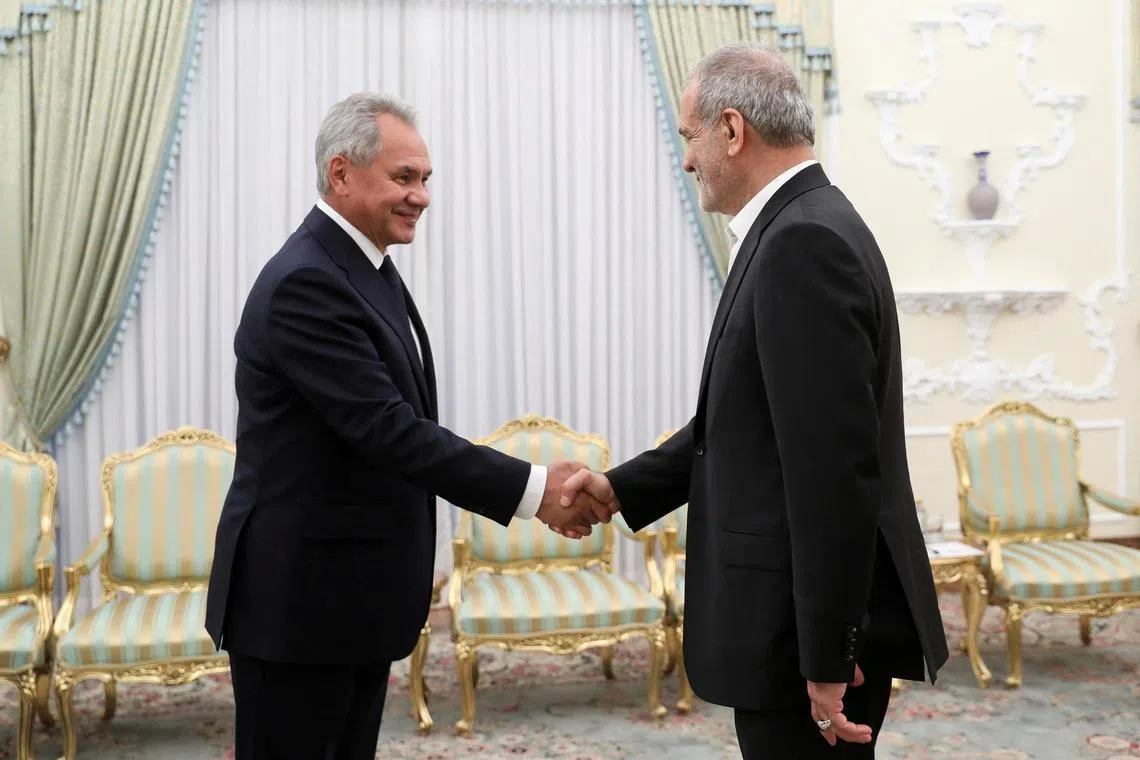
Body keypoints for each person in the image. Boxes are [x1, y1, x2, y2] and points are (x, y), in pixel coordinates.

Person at [559, 43, 949, 759]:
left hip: (803, 644)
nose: (686, 160)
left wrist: (828, 660)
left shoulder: (803, 241)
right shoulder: (804, 223)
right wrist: (621, 487)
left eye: (689, 137)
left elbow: (834, 474)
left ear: (732, 130)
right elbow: (746, 425)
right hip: (796, 634)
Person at [204, 92, 607, 760]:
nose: (421, 196)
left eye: (425, 180)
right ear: (341, 173)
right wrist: (536, 490)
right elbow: (391, 432)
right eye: (404, 178)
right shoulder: (308, 282)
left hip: (348, 597)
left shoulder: (362, 268)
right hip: (300, 607)